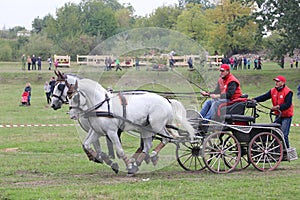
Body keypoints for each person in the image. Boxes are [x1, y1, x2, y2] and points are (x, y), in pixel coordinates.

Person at [253, 76, 294, 148]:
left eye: (278, 81)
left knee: (284, 135)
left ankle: (287, 151)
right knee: (274, 133)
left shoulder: (288, 92)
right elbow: (264, 97)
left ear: (283, 83)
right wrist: (255, 99)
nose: (276, 83)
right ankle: (277, 150)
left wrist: (278, 107)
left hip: (286, 116)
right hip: (278, 115)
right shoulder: (273, 91)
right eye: (276, 81)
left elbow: (288, 104)